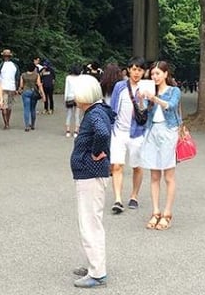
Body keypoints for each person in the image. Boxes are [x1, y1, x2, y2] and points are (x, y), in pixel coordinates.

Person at [70, 74, 114, 289]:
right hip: (91, 173)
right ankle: (93, 264)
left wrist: (96, 152)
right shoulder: (99, 110)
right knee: (90, 220)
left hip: (90, 173)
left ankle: (97, 272)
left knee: (90, 222)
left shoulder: (94, 114)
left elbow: (103, 133)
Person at [138, 60, 182, 231]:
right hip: (152, 131)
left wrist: (154, 98)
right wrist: (142, 99)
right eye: (152, 74)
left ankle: (167, 213)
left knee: (168, 175)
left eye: (157, 73)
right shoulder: (150, 90)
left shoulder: (174, 91)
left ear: (165, 74)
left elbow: (170, 106)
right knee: (154, 174)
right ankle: (155, 211)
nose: (154, 77)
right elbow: (143, 111)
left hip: (169, 131)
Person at [107, 57, 146, 214]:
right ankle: (117, 199)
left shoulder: (146, 87)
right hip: (119, 131)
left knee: (137, 166)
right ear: (129, 69)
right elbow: (113, 108)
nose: (136, 73)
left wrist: (144, 99)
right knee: (116, 165)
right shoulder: (120, 86)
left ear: (144, 72)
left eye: (140, 70)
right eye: (134, 69)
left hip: (138, 132)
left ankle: (134, 196)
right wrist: (109, 128)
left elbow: (148, 112)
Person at [0, 49, 20, 129]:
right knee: (10, 106)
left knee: (3, 105)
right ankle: (8, 121)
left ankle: (5, 123)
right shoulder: (15, 66)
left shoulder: (0, 66)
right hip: (12, 87)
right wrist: (17, 88)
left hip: (3, 88)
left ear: (3, 56)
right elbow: (17, 78)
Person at [20, 62, 45, 131]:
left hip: (25, 92)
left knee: (26, 109)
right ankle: (33, 125)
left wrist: (20, 90)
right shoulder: (36, 75)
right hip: (34, 92)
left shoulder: (23, 75)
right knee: (33, 109)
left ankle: (27, 126)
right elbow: (39, 85)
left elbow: (21, 85)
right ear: (34, 68)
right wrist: (43, 94)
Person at [64, 64, 83, 138]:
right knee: (77, 115)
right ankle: (76, 131)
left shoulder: (68, 78)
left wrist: (65, 99)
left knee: (69, 114)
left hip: (69, 97)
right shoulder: (81, 78)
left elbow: (66, 89)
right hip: (78, 97)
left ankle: (68, 131)